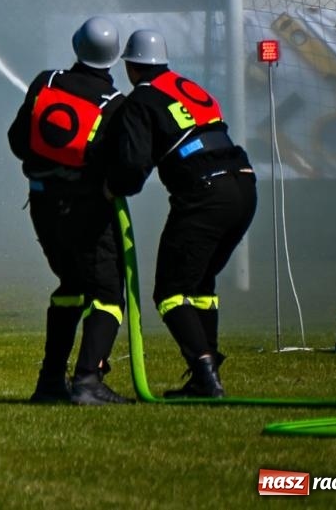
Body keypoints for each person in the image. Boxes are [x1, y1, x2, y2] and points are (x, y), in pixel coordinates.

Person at [105, 28, 256, 399]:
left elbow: (133, 165)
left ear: (131, 66)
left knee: (171, 292)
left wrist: (114, 186)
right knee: (201, 286)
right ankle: (206, 376)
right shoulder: (187, 86)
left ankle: (205, 376)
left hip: (206, 193)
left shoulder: (141, 99)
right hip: (243, 185)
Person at [7, 16, 129, 406]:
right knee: (107, 293)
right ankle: (88, 381)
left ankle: (49, 382)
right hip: (86, 212)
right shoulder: (115, 104)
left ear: (76, 45)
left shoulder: (46, 82)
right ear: (115, 57)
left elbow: (17, 141)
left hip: (43, 207)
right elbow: (118, 164)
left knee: (71, 285)